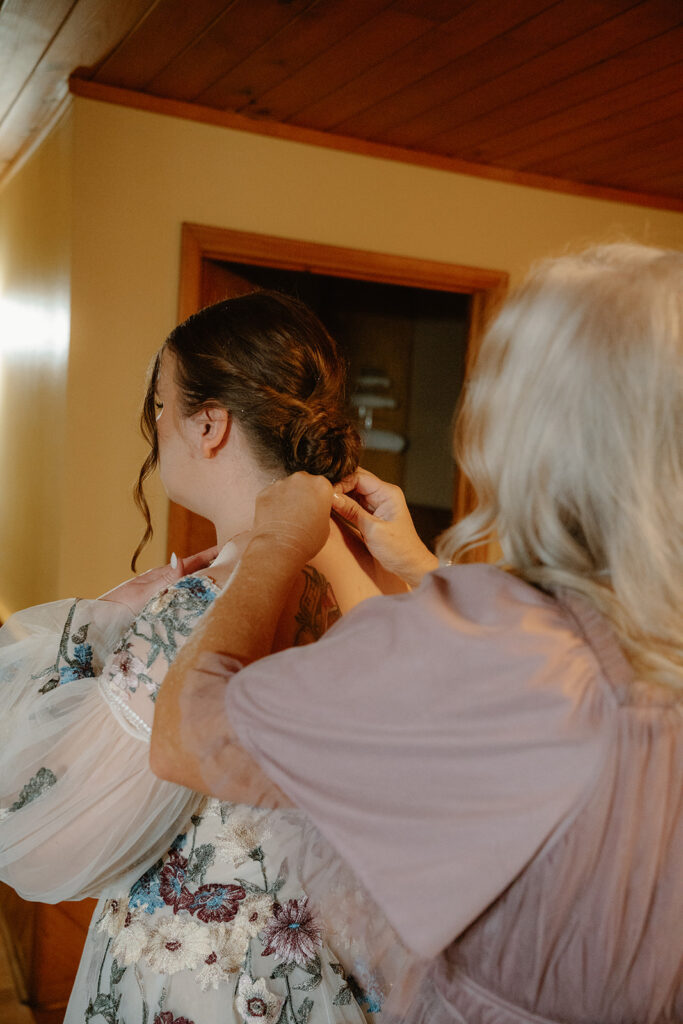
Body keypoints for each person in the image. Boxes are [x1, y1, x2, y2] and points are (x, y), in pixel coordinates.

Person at [150, 244, 682, 1024]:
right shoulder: (604, 639)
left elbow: (187, 735)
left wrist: (276, 547)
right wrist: (417, 570)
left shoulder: (494, 642)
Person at [0, 290, 408, 1023]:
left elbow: (50, 842)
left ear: (210, 423)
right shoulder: (373, 580)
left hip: (208, 985)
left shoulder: (199, 610)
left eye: (162, 404)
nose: (155, 426)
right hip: (332, 971)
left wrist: (95, 633)